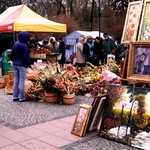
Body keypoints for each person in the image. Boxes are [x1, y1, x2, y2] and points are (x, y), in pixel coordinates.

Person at [11, 31, 30, 102]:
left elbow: (12, 54)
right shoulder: (25, 45)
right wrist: (28, 64)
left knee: (16, 80)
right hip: (22, 65)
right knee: (22, 81)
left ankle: (15, 96)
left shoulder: (16, 44)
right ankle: (21, 97)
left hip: (15, 64)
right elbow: (25, 57)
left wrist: (14, 61)